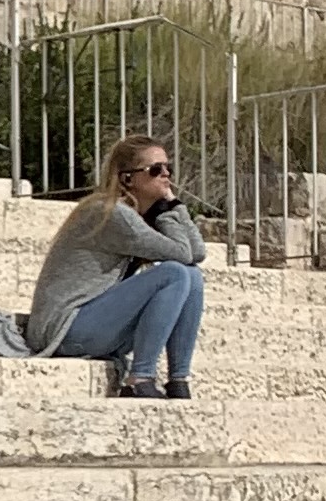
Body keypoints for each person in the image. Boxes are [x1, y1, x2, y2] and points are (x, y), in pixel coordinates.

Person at [24, 133, 209, 397]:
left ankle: (179, 379)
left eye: (168, 168)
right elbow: (182, 253)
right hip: (65, 329)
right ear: (127, 178)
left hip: (95, 324)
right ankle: (140, 378)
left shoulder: (138, 214)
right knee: (174, 274)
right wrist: (168, 211)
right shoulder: (112, 213)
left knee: (192, 276)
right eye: (156, 169)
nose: (166, 175)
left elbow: (197, 254)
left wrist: (174, 205)